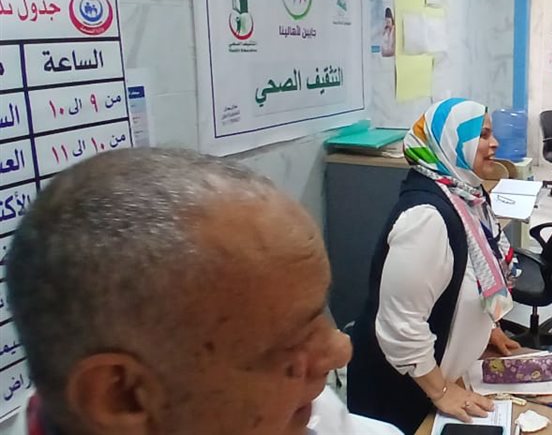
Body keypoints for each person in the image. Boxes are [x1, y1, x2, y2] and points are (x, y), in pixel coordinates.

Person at [5, 148, 399, 435]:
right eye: (294, 343)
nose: (340, 349)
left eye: (319, 316)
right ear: (125, 396)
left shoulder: (290, 406)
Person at [347, 98, 520, 433]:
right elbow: (401, 325)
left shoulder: (465, 197)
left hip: (441, 379)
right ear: (452, 143)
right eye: (483, 135)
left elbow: (473, 274)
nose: (495, 143)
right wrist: (441, 391)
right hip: (402, 396)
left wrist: (487, 328)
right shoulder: (426, 218)